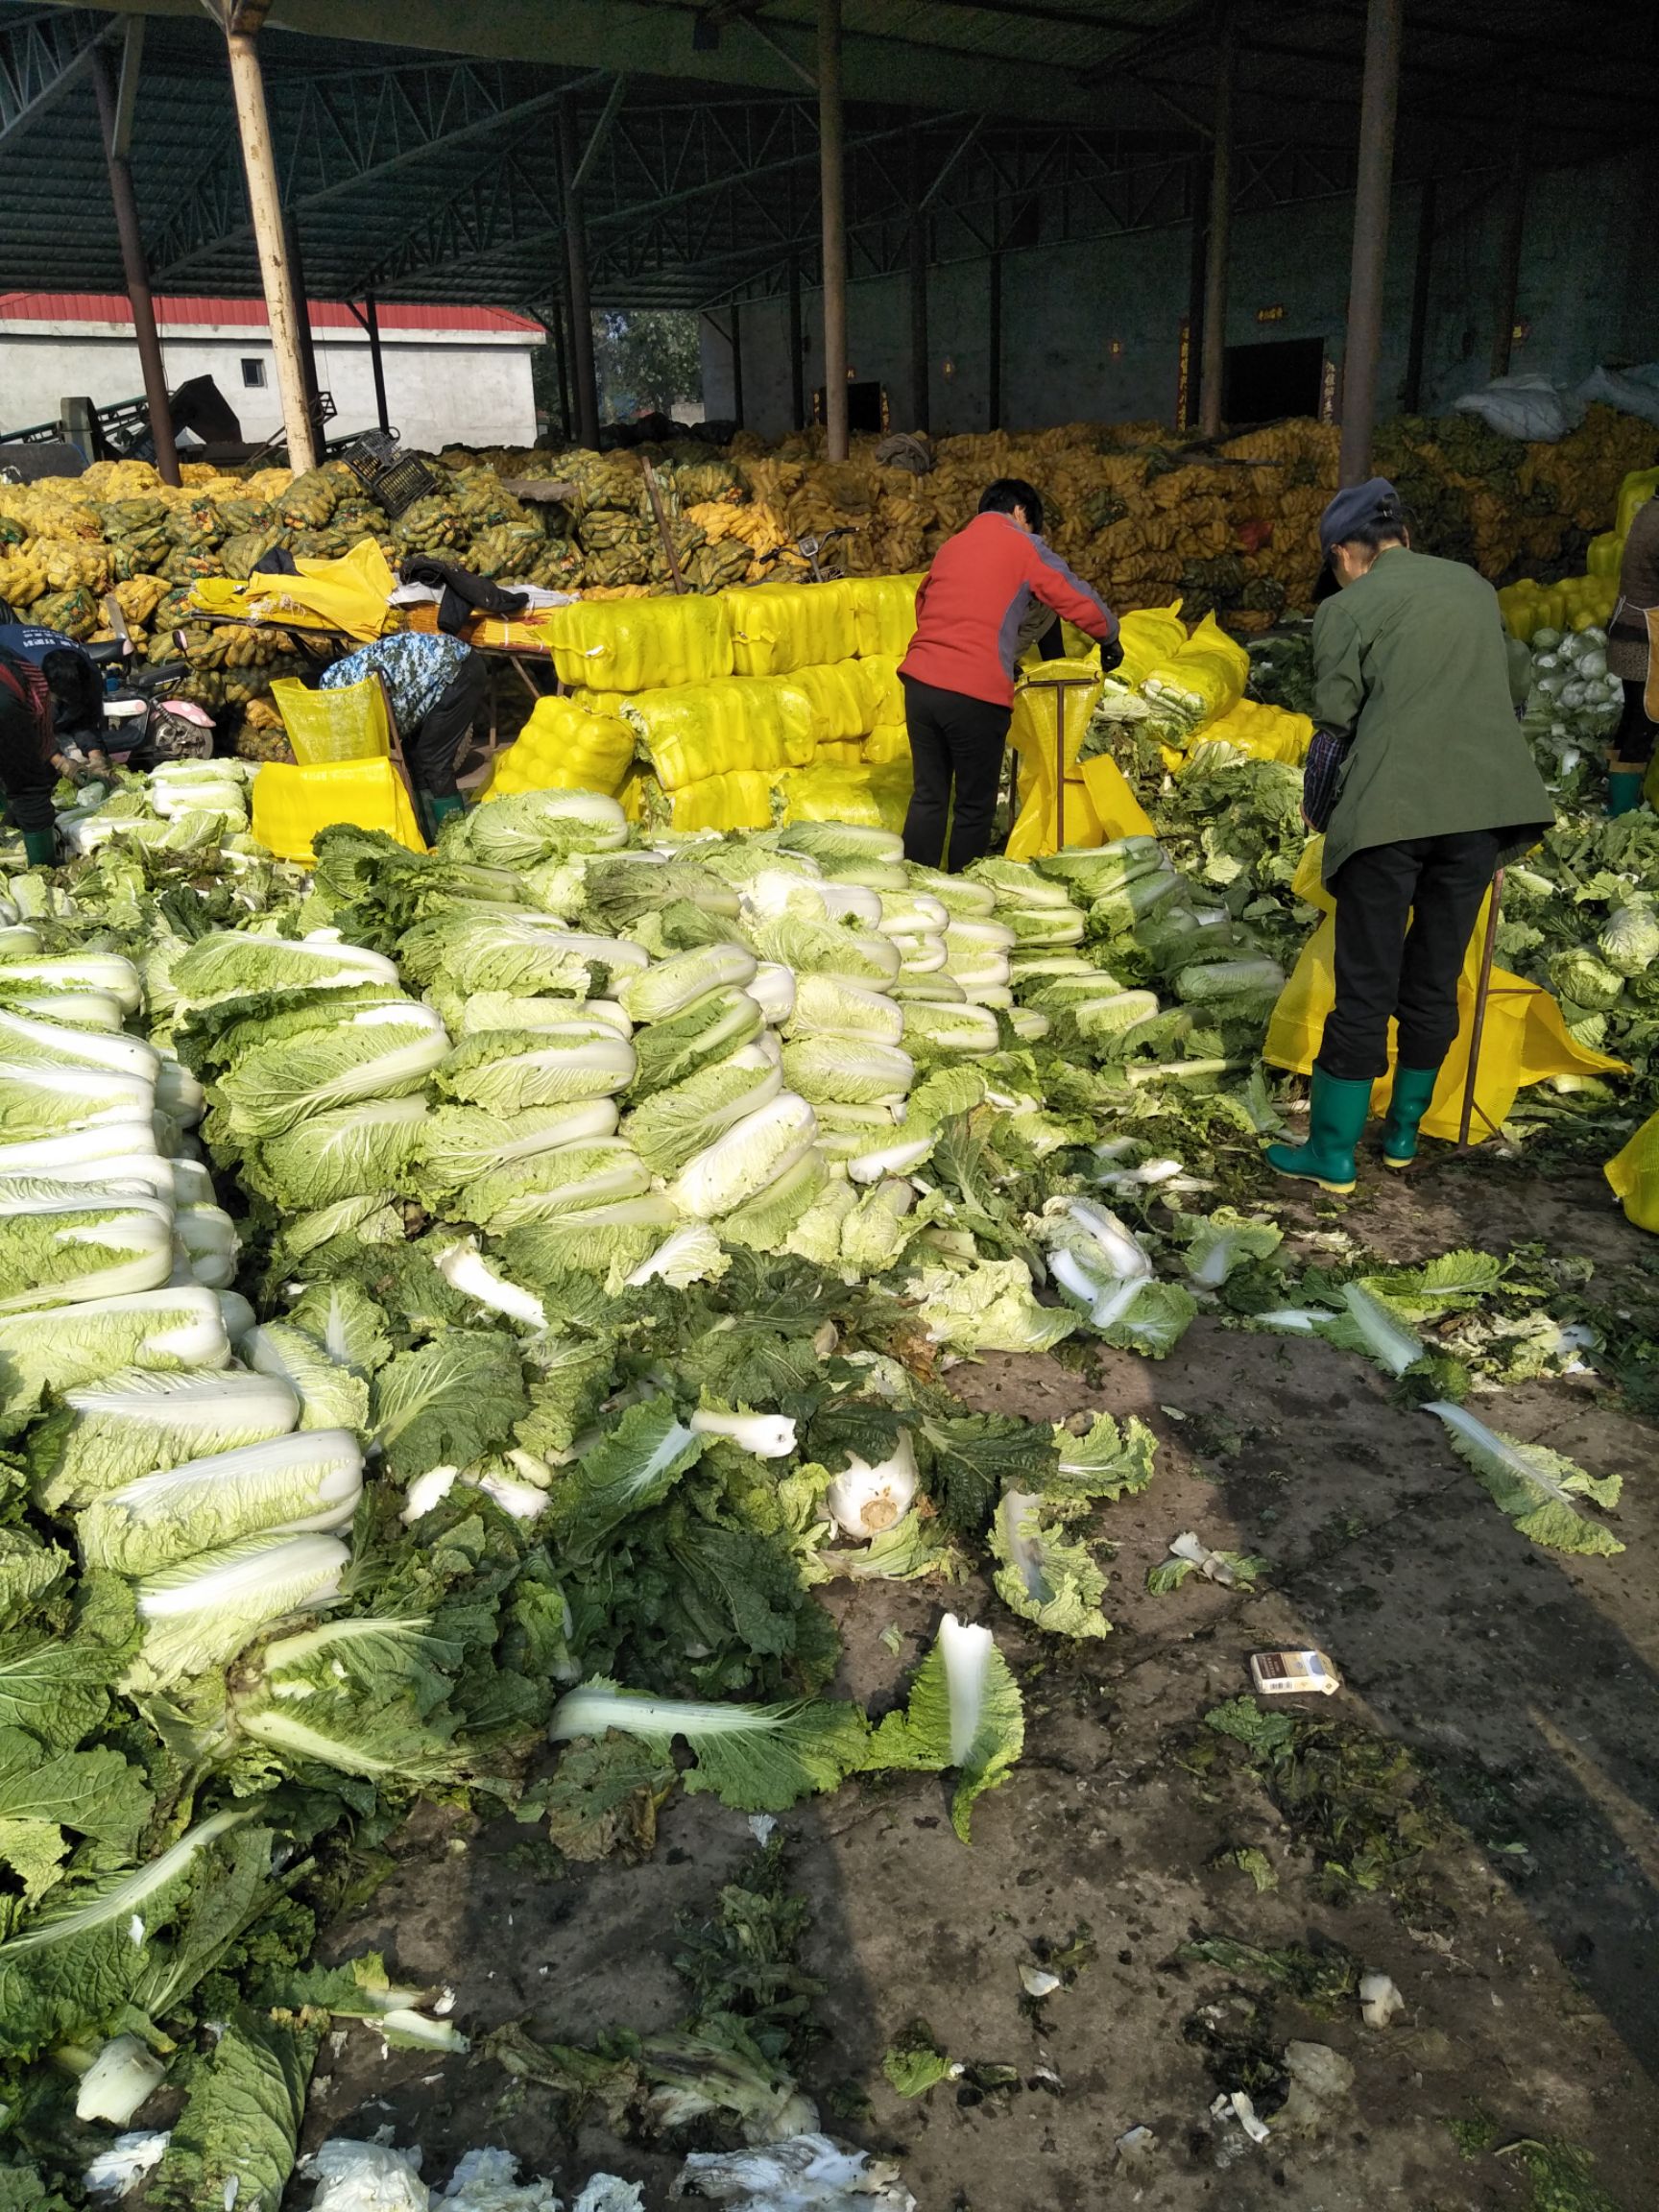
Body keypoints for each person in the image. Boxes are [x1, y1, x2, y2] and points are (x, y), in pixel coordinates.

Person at [1265, 478, 1553, 1192]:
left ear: (1344, 553)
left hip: (1392, 815)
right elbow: (1512, 686)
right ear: (1403, 537)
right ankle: (1401, 1135)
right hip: (1484, 813)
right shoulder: (1473, 588)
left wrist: (1321, 809)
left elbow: (1337, 722)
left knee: (1365, 982)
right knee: (1434, 973)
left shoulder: (1347, 609)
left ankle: (1331, 1154)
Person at [898, 477, 1119, 873]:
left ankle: (915, 891)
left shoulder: (951, 546)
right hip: (974, 694)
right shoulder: (1022, 545)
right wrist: (1109, 636)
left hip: (920, 684)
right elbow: (1071, 595)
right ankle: (959, 899)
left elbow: (925, 600)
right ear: (1020, 513)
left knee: (928, 797)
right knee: (972, 805)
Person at [320, 628, 487, 838]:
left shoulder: (358, 690)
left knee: (433, 758)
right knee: (413, 757)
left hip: (459, 672)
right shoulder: (336, 685)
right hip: (431, 677)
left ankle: (456, 836)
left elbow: (394, 723)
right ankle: (428, 832)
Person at [1605, 492, 1659, 816]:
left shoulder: (1651, 509)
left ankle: (1616, 798)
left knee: (1632, 720)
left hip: (1631, 633)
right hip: (1644, 641)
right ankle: (1621, 810)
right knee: (1643, 723)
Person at [0, 620, 109, 774]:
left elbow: (86, 720)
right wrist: (61, 763)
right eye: (63, 698)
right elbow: (26, 729)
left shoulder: (91, 676)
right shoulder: (25, 676)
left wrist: (97, 757)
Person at [0, 641, 72, 867]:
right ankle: (46, 871)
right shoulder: (36, 677)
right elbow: (38, 747)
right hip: (4, 702)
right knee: (29, 788)